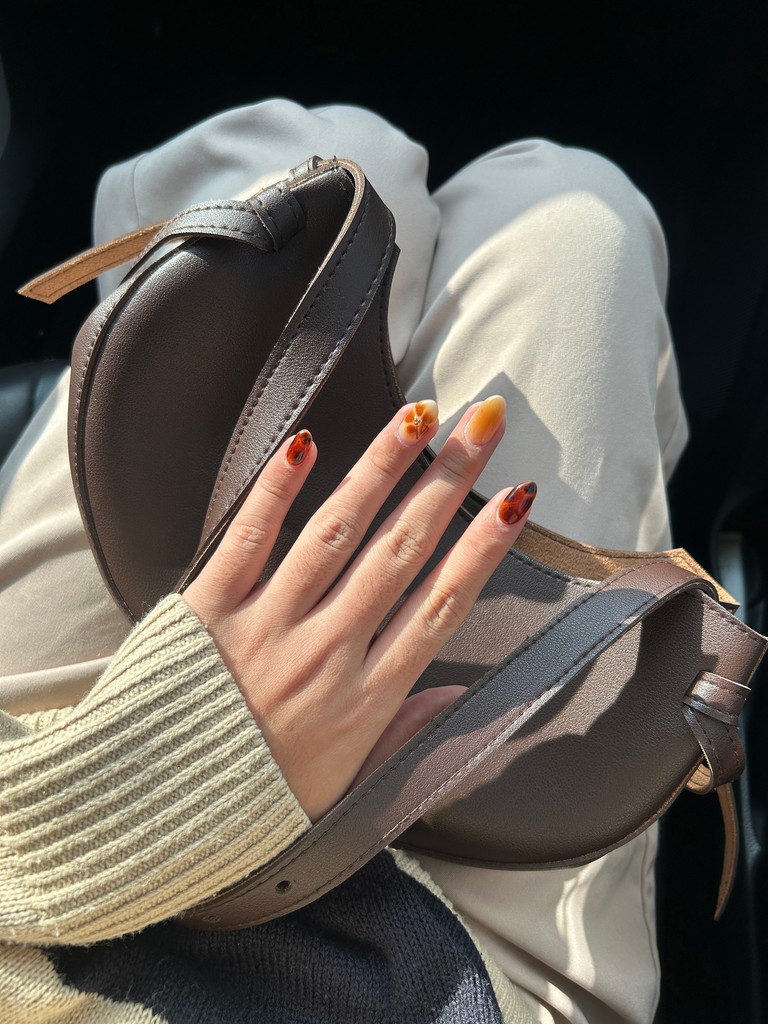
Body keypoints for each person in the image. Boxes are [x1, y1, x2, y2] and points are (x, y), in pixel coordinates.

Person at [0, 100, 687, 1023]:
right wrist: (207, 767)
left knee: (321, 179)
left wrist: (159, 759)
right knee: (579, 231)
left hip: (38, 801)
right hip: (439, 977)